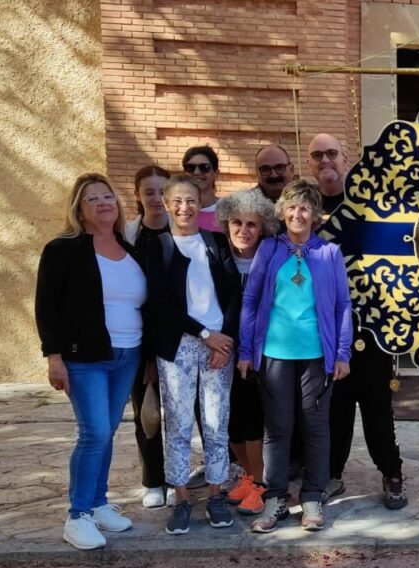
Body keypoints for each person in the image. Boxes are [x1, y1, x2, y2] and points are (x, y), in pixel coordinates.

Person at [35, 173, 143, 550]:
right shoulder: (63, 249)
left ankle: (98, 503)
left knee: (108, 431)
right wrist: (54, 357)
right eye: (92, 199)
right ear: (79, 210)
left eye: (108, 197)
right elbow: (46, 307)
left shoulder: (130, 248)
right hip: (85, 357)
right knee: (94, 432)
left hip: (128, 354)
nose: (102, 203)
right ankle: (77, 514)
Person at [238, 180, 352, 533]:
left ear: (316, 215)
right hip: (274, 355)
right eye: (292, 207)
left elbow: (342, 304)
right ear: (282, 212)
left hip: (317, 356)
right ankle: (275, 500)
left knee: (316, 426)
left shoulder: (329, 253)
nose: (298, 214)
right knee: (277, 428)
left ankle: (313, 497)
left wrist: (342, 352)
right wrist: (245, 350)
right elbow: (251, 301)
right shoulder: (269, 250)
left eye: (305, 208)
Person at [312, 134, 409, 508]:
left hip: (372, 323)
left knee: (377, 407)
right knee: (334, 406)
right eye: (317, 155)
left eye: (332, 154)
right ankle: (331, 475)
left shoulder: (368, 201)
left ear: (345, 157)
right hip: (326, 326)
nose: (326, 161)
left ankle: (392, 472)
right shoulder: (307, 206)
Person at [143, 175, 240, 535]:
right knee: (179, 425)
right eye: (177, 201)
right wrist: (205, 334)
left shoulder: (215, 242)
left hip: (219, 347)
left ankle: (216, 494)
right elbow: (159, 302)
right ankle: (181, 498)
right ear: (166, 205)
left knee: (217, 423)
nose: (185, 208)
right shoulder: (159, 246)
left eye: (192, 201)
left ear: (201, 205)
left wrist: (225, 338)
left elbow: (233, 291)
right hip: (180, 345)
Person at [215, 187, 280, 516]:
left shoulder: (272, 257)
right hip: (222, 349)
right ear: (226, 224)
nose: (243, 230)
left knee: (253, 420)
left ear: (264, 227)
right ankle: (248, 475)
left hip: (260, 351)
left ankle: (260, 486)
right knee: (231, 421)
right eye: (237, 222)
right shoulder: (216, 254)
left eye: (252, 224)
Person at [122, 165, 175, 508]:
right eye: (149, 192)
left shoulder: (184, 233)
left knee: (184, 412)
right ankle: (153, 479)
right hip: (137, 335)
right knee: (146, 408)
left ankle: (180, 477)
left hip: (177, 334)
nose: (157, 198)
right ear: (138, 196)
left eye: (162, 192)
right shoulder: (126, 235)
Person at [182, 145, 222, 231]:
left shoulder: (227, 211)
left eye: (204, 167)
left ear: (216, 173)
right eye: (191, 168)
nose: (197, 172)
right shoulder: (177, 211)